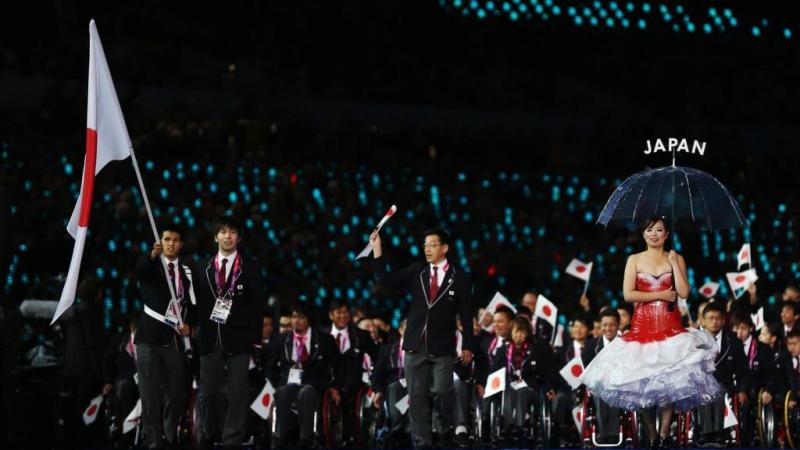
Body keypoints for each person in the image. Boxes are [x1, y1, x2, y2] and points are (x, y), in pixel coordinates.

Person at [579, 216, 721, 449]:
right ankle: (652, 435)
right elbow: (628, 294)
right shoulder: (634, 259)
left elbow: (684, 292)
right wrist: (660, 295)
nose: (654, 234)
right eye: (649, 230)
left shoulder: (676, 257)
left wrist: (675, 264)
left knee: (668, 387)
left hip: (670, 328)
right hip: (642, 328)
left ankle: (664, 436)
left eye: (659, 230)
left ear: (666, 234)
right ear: (643, 234)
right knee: (643, 387)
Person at [369, 227, 476, 448]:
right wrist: (377, 247)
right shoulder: (417, 271)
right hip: (414, 345)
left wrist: (467, 345)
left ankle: (444, 431)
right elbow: (385, 279)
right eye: (425, 245)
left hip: (443, 346)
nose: (427, 249)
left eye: (433, 245)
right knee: (416, 396)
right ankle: (422, 442)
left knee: (444, 391)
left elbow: (466, 315)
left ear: (444, 248)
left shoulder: (461, 278)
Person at [196, 217, 265, 449]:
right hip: (209, 337)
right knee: (208, 392)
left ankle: (232, 440)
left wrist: (255, 340)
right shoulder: (202, 267)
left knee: (238, 393)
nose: (227, 236)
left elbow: (258, 306)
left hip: (240, 339)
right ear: (215, 237)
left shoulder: (251, 268)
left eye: (232, 232)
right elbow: (197, 305)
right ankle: (207, 433)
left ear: (239, 237)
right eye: (223, 232)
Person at [135, 225, 196, 450]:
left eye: (175, 239)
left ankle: (169, 439)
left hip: (173, 342)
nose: (171, 243)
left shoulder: (187, 273)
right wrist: (150, 256)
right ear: (160, 242)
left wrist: (191, 325)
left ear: (181, 244)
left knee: (176, 395)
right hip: (148, 341)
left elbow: (194, 306)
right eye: (167, 239)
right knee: (150, 397)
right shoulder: (152, 267)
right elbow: (140, 270)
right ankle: (154, 443)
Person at [267, 303, 338, 448]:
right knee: (283, 392)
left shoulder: (324, 340)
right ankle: (280, 437)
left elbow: (338, 365)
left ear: (309, 320)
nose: (296, 320)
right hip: (288, 383)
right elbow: (270, 366)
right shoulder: (281, 339)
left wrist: (334, 387)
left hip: (314, 383)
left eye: (301, 317)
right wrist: (271, 387)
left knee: (307, 392)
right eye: (294, 317)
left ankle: (306, 439)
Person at [320, 299, 378, 445]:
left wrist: (375, 382)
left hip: (352, 385)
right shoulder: (320, 336)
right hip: (326, 383)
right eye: (338, 312)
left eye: (345, 312)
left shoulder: (361, 336)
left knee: (350, 393)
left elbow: (378, 358)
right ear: (330, 315)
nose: (343, 315)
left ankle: (349, 436)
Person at [489, 316, 558, 440]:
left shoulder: (536, 349)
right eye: (517, 331)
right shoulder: (503, 350)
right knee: (508, 390)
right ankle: (508, 425)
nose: (519, 335)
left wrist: (550, 387)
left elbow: (548, 371)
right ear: (511, 332)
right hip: (508, 384)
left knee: (521, 391)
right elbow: (494, 371)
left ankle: (519, 425)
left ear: (527, 333)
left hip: (530, 386)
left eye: (522, 332)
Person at [581, 308, 622, 444]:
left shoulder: (626, 344)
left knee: (614, 389)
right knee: (600, 390)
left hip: (620, 383)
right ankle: (603, 432)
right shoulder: (591, 345)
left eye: (612, 324)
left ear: (618, 325)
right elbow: (587, 368)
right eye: (605, 325)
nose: (608, 328)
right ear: (600, 325)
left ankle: (614, 433)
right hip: (598, 384)